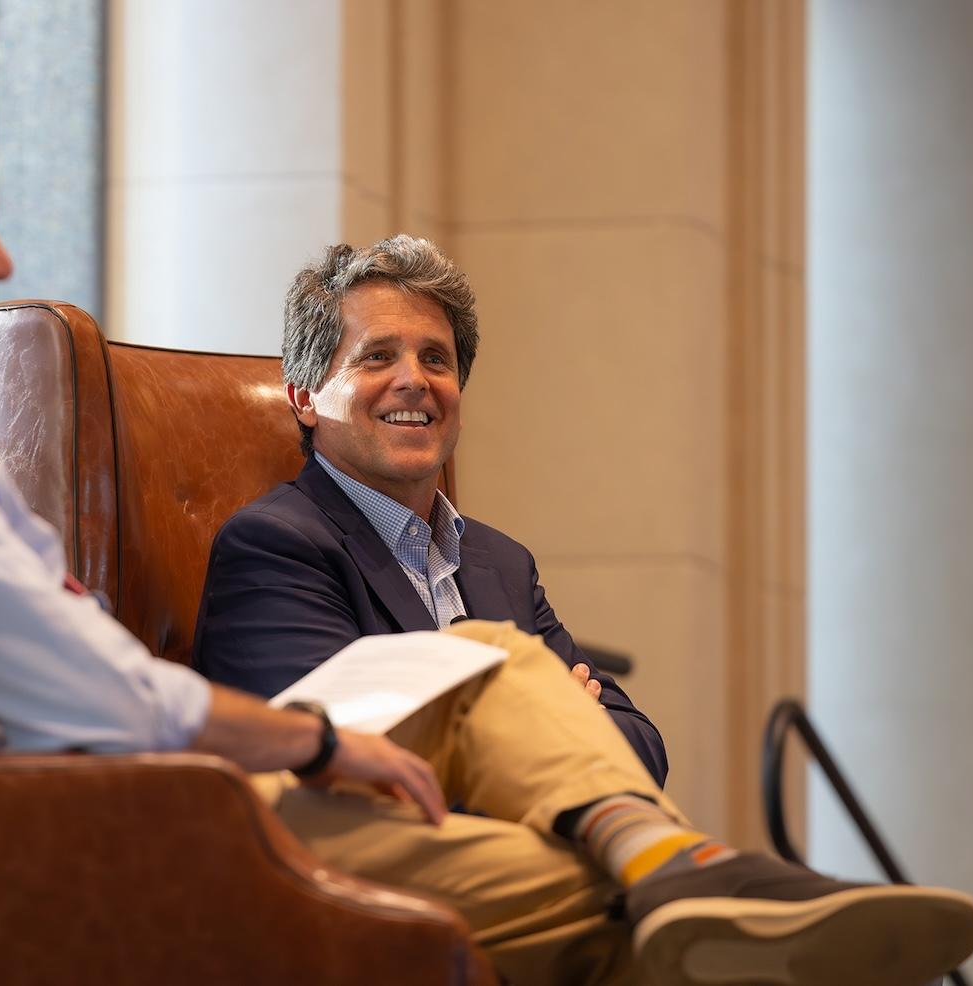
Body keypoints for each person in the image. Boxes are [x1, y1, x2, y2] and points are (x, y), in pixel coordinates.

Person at [0, 74, 973, 986]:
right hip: (117, 824)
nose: (2, 256)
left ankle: (680, 872)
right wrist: (308, 742)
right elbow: (93, 690)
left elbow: (637, 734)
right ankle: (697, 876)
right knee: (578, 819)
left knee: (593, 821)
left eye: (439, 357)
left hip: (150, 798)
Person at [192, 237, 665, 783]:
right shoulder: (273, 548)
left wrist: (490, 726)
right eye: (378, 356)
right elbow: (347, 764)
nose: (415, 381)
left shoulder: (504, 562)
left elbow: (644, 747)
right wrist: (548, 716)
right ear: (304, 397)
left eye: (435, 359)